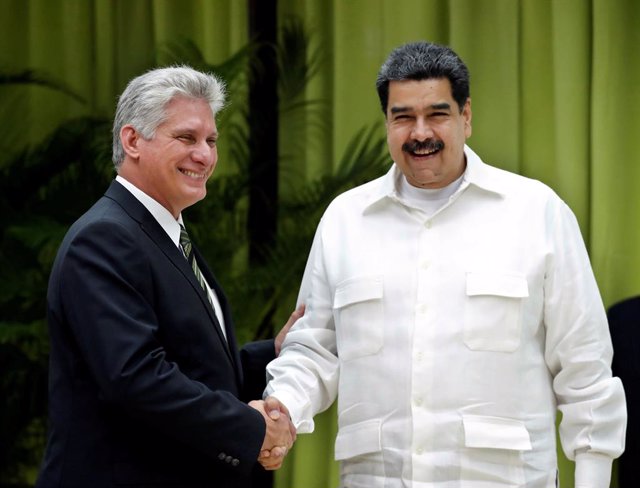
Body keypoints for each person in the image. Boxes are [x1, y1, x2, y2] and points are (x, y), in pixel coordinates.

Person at [264, 41, 627, 487]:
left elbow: (585, 370)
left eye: (436, 114)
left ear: (466, 117)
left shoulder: (537, 213)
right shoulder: (346, 220)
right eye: (403, 117)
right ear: (387, 123)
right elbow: (313, 349)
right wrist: (279, 409)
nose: (420, 133)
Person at [36, 65, 299, 488]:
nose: (206, 155)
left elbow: (192, 363)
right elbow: (137, 378)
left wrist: (275, 352)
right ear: (132, 140)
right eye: (187, 138)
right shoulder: (104, 237)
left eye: (211, 140)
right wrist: (252, 429)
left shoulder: (163, 233)